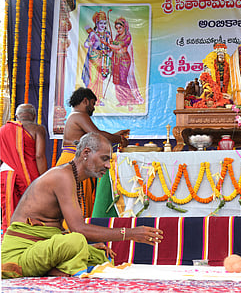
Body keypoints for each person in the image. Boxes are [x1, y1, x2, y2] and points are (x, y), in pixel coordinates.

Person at [1, 132, 164, 278]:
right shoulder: (62, 176)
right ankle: (38, 270)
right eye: (104, 158)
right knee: (77, 241)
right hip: (20, 254)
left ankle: (55, 270)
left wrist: (89, 246)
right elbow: (78, 229)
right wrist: (130, 233)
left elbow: (59, 229)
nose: (108, 166)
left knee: (99, 254)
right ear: (86, 153)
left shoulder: (72, 178)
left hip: (42, 247)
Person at [57, 87, 129, 217]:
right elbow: (97, 135)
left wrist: (115, 136)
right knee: (79, 200)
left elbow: (96, 135)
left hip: (72, 159)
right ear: (85, 101)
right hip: (75, 161)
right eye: (93, 104)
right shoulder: (79, 115)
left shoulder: (75, 116)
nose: (93, 108)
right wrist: (120, 139)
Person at [1, 104, 47, 232]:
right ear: (33, 116)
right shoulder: (37, 129)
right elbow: (39, 156)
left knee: (9, 208)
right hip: (29, 174)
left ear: (16, 116)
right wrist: (45, 178)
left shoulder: (3, 129)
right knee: (31, 208)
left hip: (6, 172)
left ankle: (8, 237)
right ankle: (27, 237)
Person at [109, 17, 144, 110]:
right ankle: (122, 101)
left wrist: (107, 44)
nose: (118, 30)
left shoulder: (127, 36)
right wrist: (110, 41)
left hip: (124, 60)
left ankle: (129, 101)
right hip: (117, 60)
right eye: (116, 28)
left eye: (120, 28)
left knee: (123, 80)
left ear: (124, 27)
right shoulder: (117, 36)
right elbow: (114, 45)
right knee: (118, 81)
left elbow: (118, 46)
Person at [82, 10, 112, 106]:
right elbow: (86, 44)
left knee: (100, 79)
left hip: (104, 59)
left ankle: (98, 99)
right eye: (100, 23)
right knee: (93, 79)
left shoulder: (107, 34)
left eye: (104, 23)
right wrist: (89, 43)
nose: (102, 25)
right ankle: (90, 100)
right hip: (94, 58)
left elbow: (110, 45)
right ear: (96, 23)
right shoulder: (93, 34)